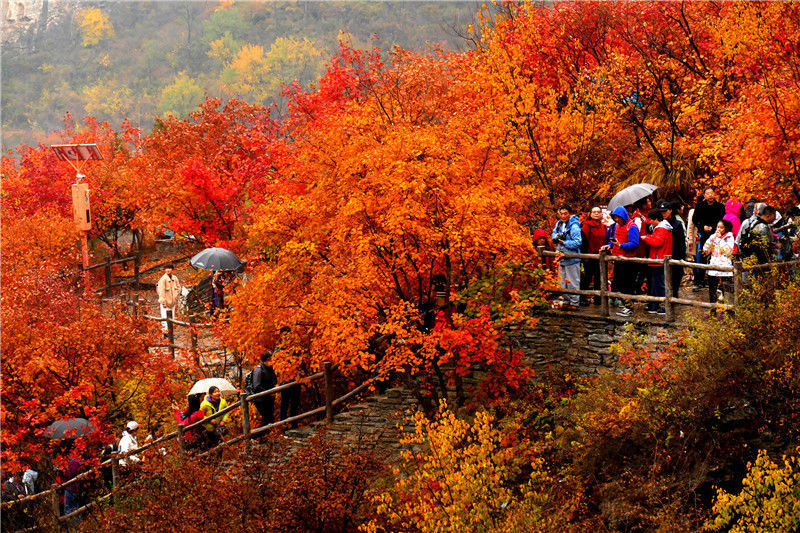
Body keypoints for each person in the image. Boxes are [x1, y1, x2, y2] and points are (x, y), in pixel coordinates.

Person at [601, 206, 640, 317]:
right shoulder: (617, 226)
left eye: (618, 217)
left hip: (628, 260)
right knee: (617, 284)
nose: (617, 220)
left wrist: (621, 246)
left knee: (626, 285)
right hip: (618, 259)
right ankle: (626, 305)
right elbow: (615, 240)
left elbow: (635, 243)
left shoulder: (632, 227)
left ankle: (630, 307)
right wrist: (609, 245)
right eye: (615, 217)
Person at [691, 187, 725, 291]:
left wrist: (714, 227)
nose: (710, 195)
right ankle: (699, 281)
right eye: (707, 193)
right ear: (704, 195)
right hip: (704, 235)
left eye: (711, 193)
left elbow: (722, 219)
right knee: (702, 257)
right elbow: (695, 219)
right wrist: (702, 227)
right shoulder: (700, 206)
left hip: (716, 234)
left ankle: (715, 282)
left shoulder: (720, 206)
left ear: (714, 194)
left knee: (715, 257)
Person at [641, 207, 673, 315]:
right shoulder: (664, 228)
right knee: (656, 284)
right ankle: (655, 305)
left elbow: (657, 242)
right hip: (659, 259)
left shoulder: (661, 229)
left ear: (656, 219)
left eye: (651, 219)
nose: (650, 221)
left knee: (659, 284)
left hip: (658, 259)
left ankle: (663, 306)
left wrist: (646, 238)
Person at [551, 204, 582, 309]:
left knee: (573, 282)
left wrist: (564, 242)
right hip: (561, 257)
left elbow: (578, 242)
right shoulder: (559, 224)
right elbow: (554, 233)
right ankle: (566, 301)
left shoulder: (574, 226)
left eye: (565, 213)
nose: (563, 216)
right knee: (562, 282)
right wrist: (556, 237)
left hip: (572, 258)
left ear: (570, 214)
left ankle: (574, 303)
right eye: (561, 214)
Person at [703, 220, 735, 304]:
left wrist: (720, 239)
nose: (718, 229)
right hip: (713, 266)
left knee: (726, 289)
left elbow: (728, 251)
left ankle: (727, 307)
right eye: (717, 227)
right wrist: (710, 240)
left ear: (726, 229)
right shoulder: (713, 237)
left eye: (721, 228)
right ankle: (713, 307)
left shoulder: (729, 237)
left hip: (725, 267)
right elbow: (706, 250)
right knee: (712, 289)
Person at [659, 200, 687, 297]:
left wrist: (682, 256)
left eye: (665, 211)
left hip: (676, 254)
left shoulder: (678, 224)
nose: (663, 213)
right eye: (662, 212)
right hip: (664, 254)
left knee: (676, 277)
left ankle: (674, 295)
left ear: (670, 210)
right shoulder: (660, 223)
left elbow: (682, 241)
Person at [581, 206, 607, 305]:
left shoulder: (604, 226)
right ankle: (582, 298)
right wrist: (585, 256)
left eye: (598, 212)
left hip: (601, 256)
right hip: (590, 256)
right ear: (590, 214)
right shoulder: (586, 225)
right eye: (594, 212)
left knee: (599, 278)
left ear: (601, 214)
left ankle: (598, 299)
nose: (596, 213)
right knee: (587, 277)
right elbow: (583, 241)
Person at [250, 351, 278, 430]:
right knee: (266, 419)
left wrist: (275, 386)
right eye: (271, 358)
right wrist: (269, 393)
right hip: (261, 399)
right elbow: (256, 386)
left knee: (270, 419)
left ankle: (268, 435)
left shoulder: (270, 368)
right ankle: (255, 435)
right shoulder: (258, 370)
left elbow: (273, 379)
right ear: (268, 359)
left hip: (269, 398)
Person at [157, 263, 182, 336]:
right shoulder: (163, 279)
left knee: (172, 317)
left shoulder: (175, 278)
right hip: (166, 302)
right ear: (164, 270)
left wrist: (176, 296)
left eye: (170, 268)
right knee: (165, 317)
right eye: (166, 268)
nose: (168, 270)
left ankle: (170, 332)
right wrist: (163, 302)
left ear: (172, 269)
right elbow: (161, 291)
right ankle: (165, 333)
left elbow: (179, 288)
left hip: (172, 301)